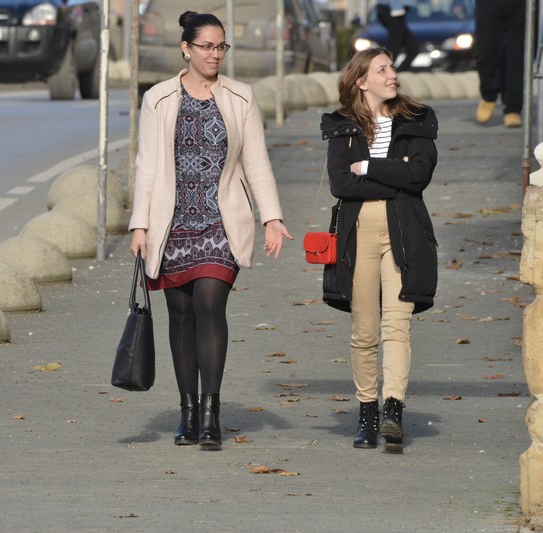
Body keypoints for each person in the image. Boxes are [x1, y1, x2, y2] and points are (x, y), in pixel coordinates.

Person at [128, 11, 292, 448]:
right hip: (172, 222)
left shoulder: (241, 96)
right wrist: (139, 225)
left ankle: (210, 415)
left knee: (209, 304)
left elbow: (257, 161)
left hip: (221, 220)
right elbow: (146, 166)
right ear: (186, 48)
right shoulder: (158, 98)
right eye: (206, 46)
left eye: (221, 47)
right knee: (181, 316)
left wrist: (272, 217)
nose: (215, 54)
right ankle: (187, 411)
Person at [320, 47, 438, 453]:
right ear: (361, 81)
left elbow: (418, 175)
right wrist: (396, 173)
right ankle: (367, 412)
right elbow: (341, 184)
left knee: (397, 325)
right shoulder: (341, 126)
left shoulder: (417, 119)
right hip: (359, 232)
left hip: (404, 229)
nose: (393, 75)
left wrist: (368, 167)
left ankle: (393, 409)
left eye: (392, 68)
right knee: (365, 330)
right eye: (382, 69)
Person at [474, 0, 525, 128]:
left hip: (520, 4)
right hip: (489, 3)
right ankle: (488, 96)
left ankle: (513, 108)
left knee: (516, 55)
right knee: (486, 52)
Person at [375, 0, 418, 72]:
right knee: (395, 47)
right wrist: (396, 7)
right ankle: (384, 71)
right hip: (394, 9)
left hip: (397, 10)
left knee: (412, 49)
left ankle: (395, 71)